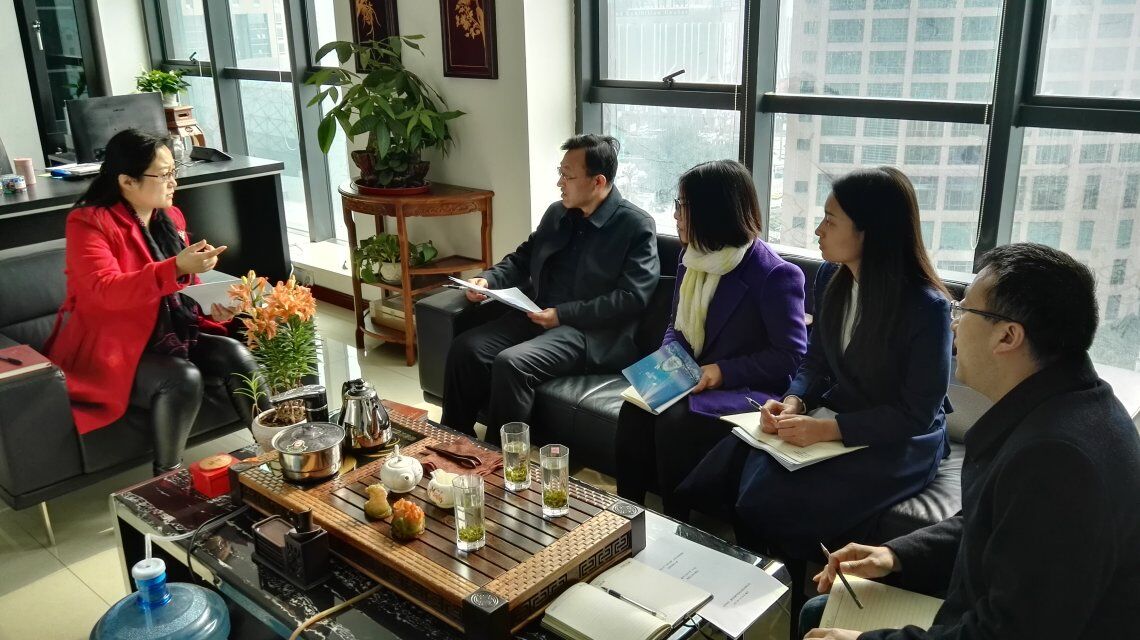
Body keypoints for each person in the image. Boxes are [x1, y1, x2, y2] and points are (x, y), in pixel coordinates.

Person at [804, 243, 1140, 640]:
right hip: (988, 606)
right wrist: (894, 554)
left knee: (818, 617)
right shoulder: (1069, 403)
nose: (954, 325)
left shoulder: (1056, 459)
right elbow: (994, 524)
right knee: (819, 610)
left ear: (1008, 336)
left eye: (964, 311)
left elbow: (1009, 632)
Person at [678, 167, 952, 560]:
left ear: (869, 231)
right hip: (842, 411)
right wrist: (794, 401)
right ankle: (754, 571)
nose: (819, 230)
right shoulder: (830, 277)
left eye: (830, 220)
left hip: (902, 438)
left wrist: (826, 429)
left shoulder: (926, 307)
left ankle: (778, 579)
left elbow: (917, 414)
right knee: (732, 466)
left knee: (774, 497)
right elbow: (816, 359)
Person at [45, 128, 261, 475]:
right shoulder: (88, 222)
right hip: (113, 344)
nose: (174, 182)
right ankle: (166, 479)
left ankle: (274, 448)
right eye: (163, 175)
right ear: (127, 181)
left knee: (234, 353)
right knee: (182, 378)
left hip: (168, 331)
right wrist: (176, 267)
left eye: (174, 171)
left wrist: (213, 307)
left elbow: (182, 292)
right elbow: (104, 290)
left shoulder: (170, 217)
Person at [614, 159, 807, 518]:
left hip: (746, 388)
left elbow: (789, 356)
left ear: (713, 211)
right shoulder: (692, 258)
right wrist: (669, 363)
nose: (676, 215)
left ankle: (677, 524)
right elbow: (676, 325)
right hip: (693, 376)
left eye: (683, 205)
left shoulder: (775, 274)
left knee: (675, 421)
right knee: (634, 410)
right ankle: (624, 514)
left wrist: (721, 372)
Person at [441, 134, 659, 445]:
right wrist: (488, 280)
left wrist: (562, 315)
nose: (560, 183)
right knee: (467, 349)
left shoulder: (635, 225)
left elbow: (632, 298)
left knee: (513, 363)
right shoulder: (557, 213)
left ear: (598, 182)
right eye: (560, 172)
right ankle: (449, 443)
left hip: (588, 333)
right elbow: (523, 258)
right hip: (537, 314)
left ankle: (500, 461)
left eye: (567, 176)